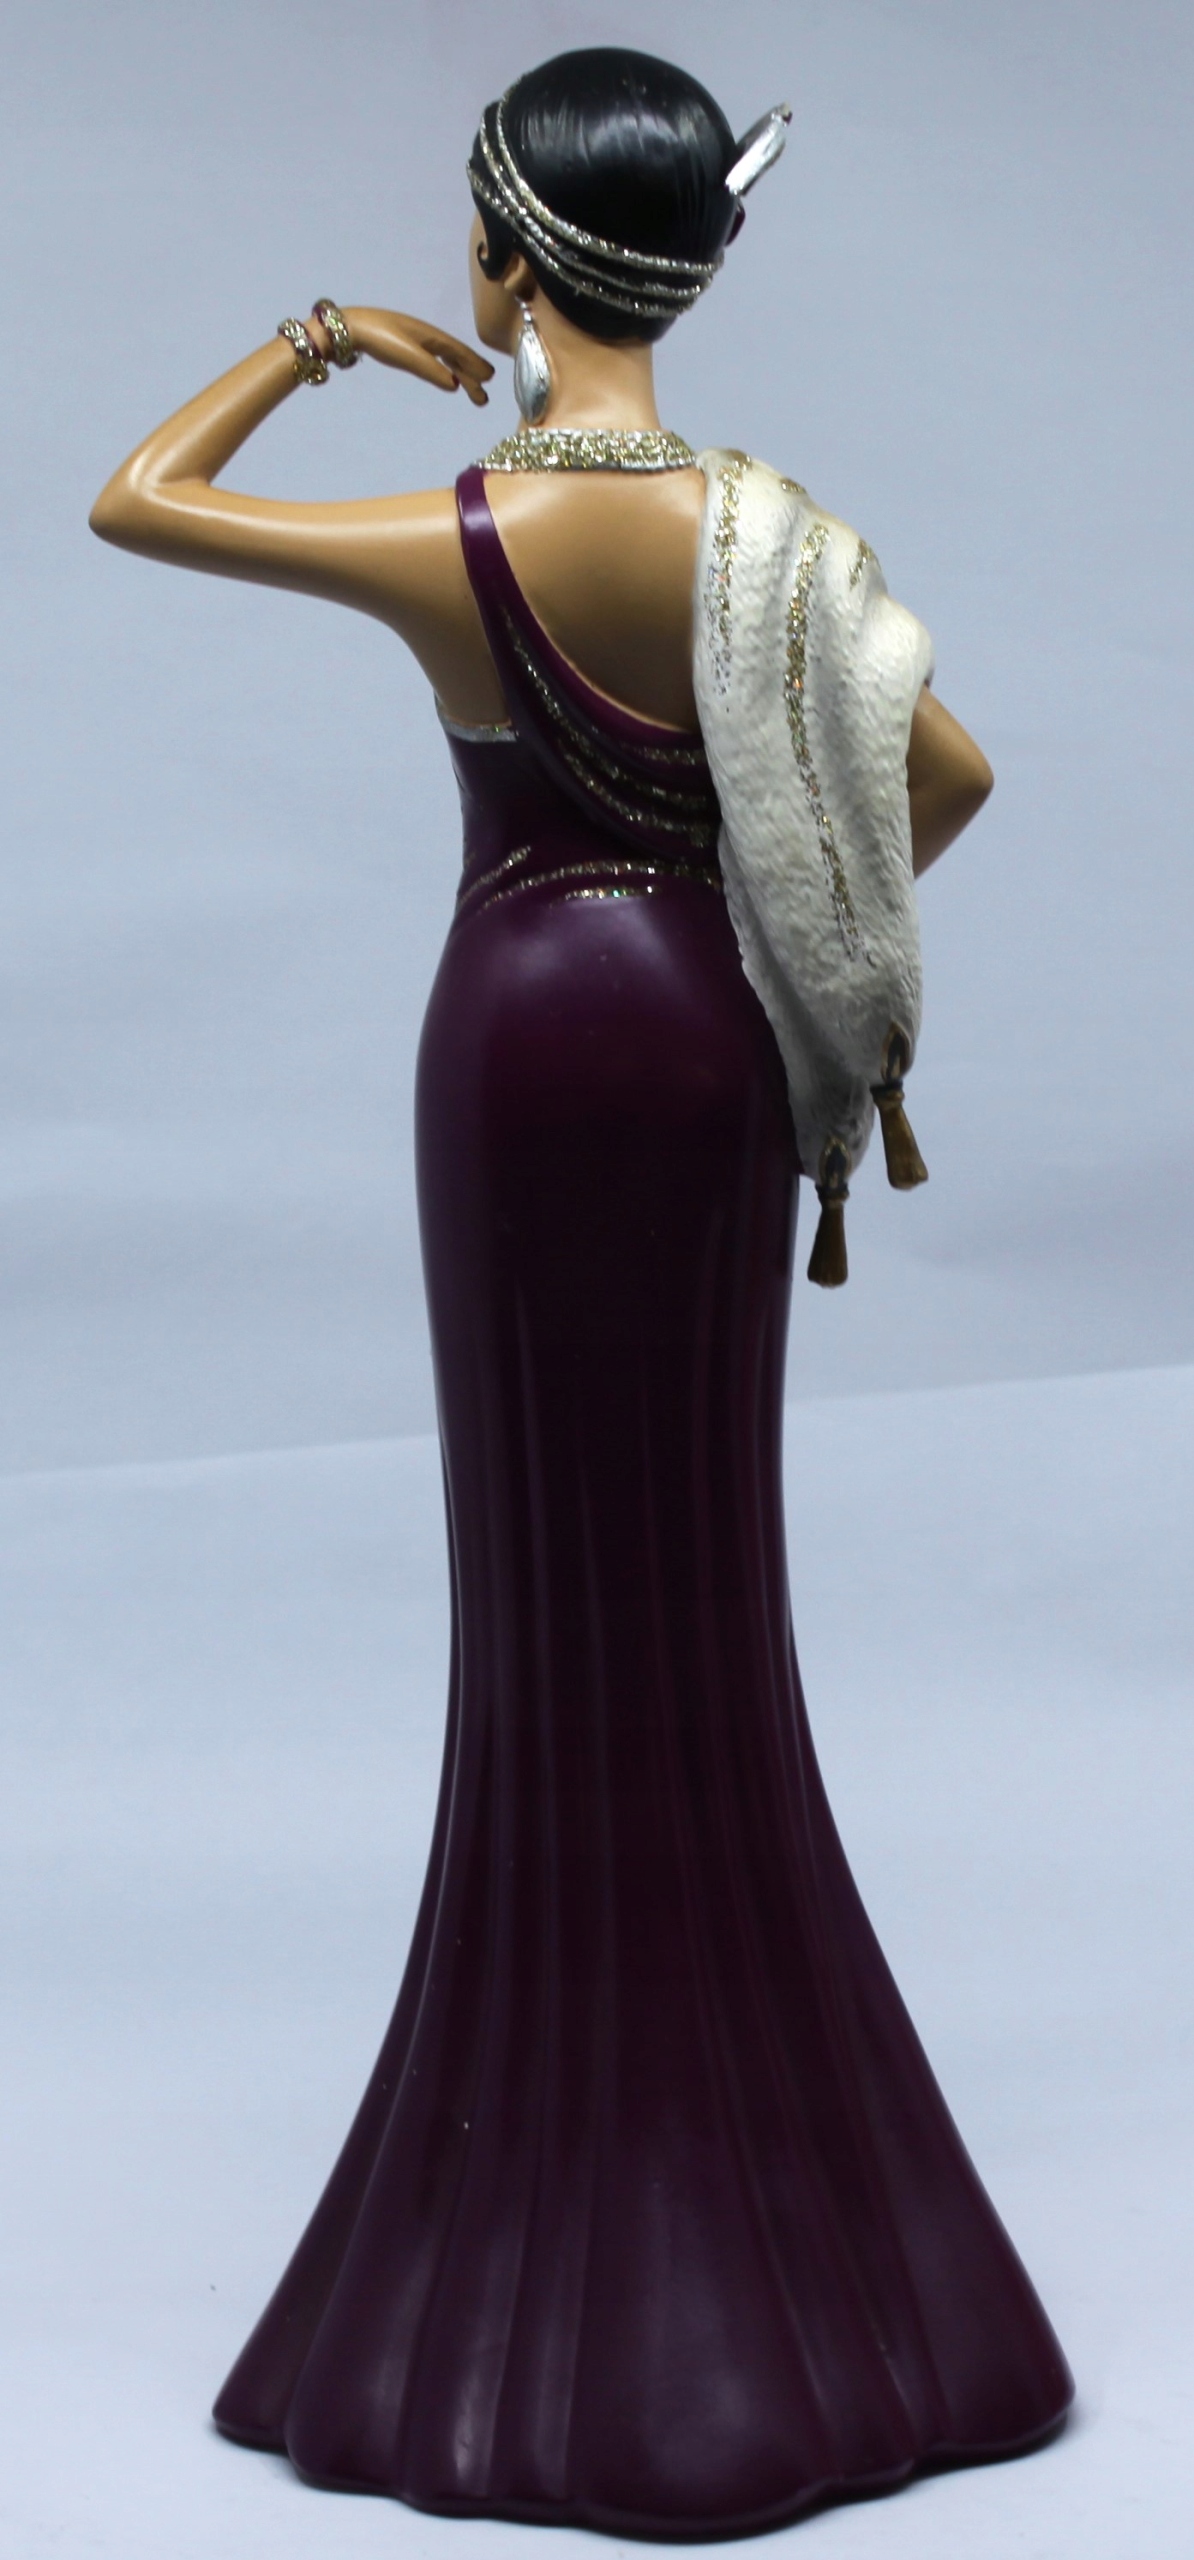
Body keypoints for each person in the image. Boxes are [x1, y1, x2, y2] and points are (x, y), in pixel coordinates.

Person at [91, 46, 1071, 2541]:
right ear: (691, 274)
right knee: (702, 1568)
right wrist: (786, 890)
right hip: (710, 1043)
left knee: (548, 1583)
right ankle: (808, 2228)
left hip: (522, 1042)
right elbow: (947, 778)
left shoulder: (465, 528)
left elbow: (137, 499)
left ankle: (527, 2202)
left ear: (503, 257)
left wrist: (322, 339)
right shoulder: (773, 536)